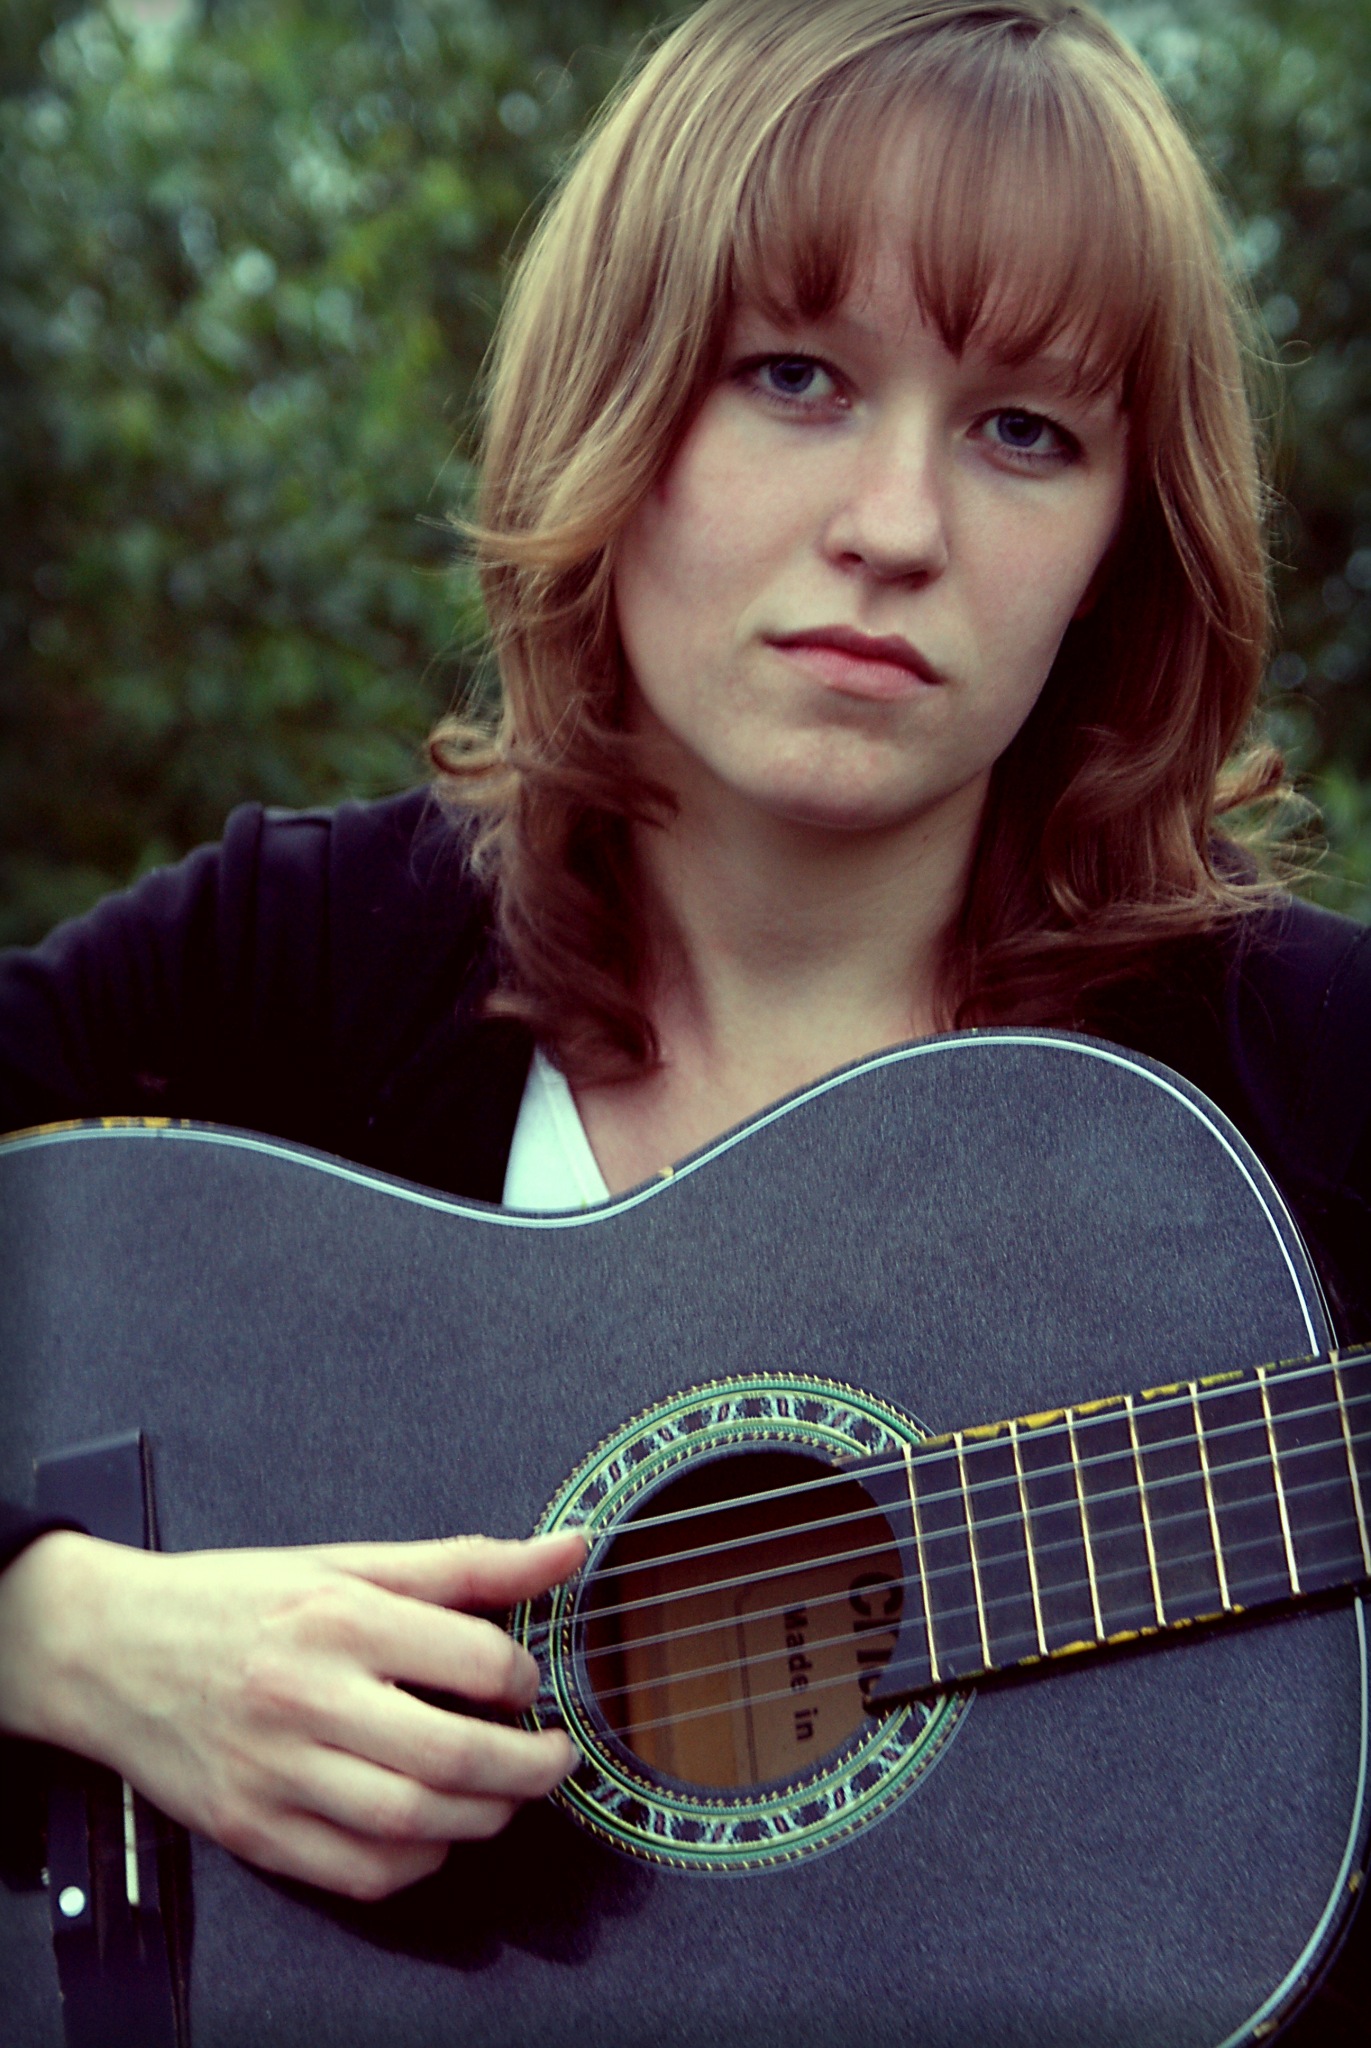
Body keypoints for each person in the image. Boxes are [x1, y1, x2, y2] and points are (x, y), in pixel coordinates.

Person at [0, 0, 1367, 2018]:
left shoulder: (1303, 1087)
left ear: (1117, 542)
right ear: (617, 407)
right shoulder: (295, 961)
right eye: (794, 377)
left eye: (1025, 432)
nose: (893, 527)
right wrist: (69, 1634)